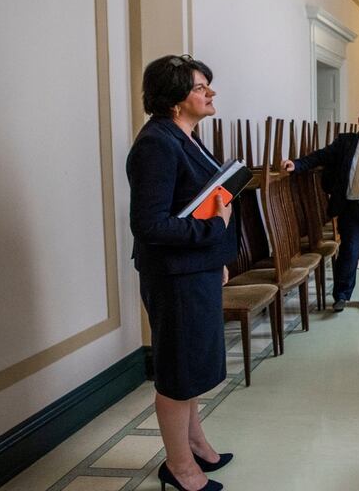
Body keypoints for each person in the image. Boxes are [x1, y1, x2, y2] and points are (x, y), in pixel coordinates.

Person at [127, 54, 237, 491]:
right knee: (176, 373)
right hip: (174, 277)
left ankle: (196, 445)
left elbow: (200, 198)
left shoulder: (185, 136)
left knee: (191, 367)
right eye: (200, 87)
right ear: (175, 100)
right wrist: (214, 230)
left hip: (197, 269)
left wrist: (218, 259)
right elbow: (150, 224)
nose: (210, 93)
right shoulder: (156, 143)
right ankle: (178, 467)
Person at [282, 106, 359, 314]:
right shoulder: (345, 142)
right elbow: (321, 156)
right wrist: (297, 164)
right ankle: (341, 296)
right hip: (350, 209)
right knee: (349, 251)